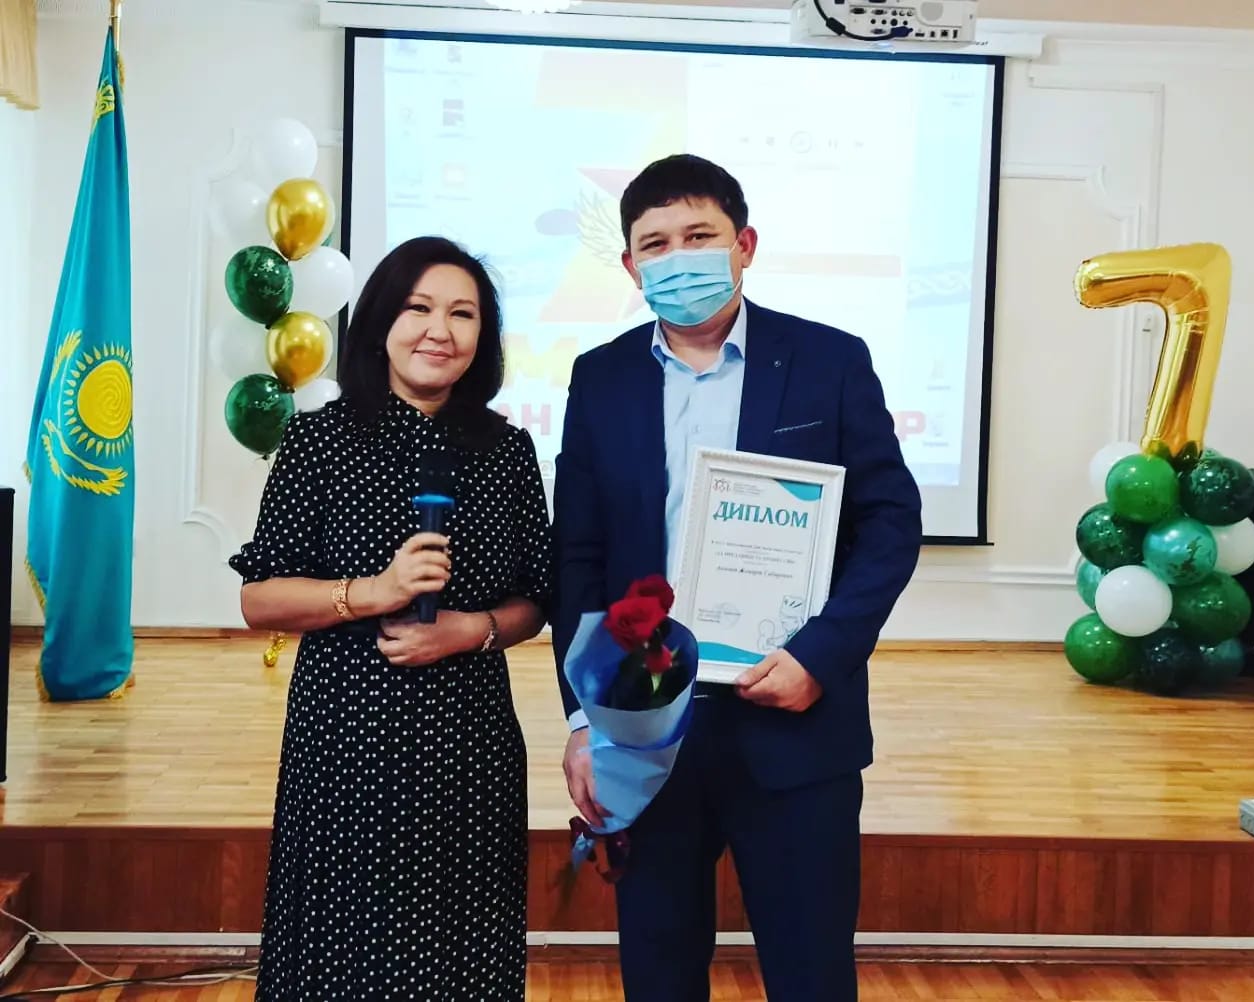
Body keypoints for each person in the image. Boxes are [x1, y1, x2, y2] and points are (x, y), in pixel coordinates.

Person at [551, 155, 922, 1001]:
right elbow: (579, 556)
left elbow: (890, 522)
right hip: (645, 727)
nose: (678, 257)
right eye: (656, 244)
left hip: (795, 720)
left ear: (744, 245)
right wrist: (583, 717)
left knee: (810, 974)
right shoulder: (601, 377)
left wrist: (820, 656)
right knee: (658, 975)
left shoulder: (829, 361)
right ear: (630, 265)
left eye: (699, 236)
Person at [230, 236, 551, 1001]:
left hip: (468, 746)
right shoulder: (318, 442)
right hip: (346, 742)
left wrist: (470, 630)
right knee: (343, 950)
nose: (440, 330)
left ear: (483, 337)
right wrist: (370, 593)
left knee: (461, 952)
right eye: (419, 308)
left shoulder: (507, 451)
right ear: (380, 324)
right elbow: (258, 599)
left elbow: (536, 600)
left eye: (462, 314)